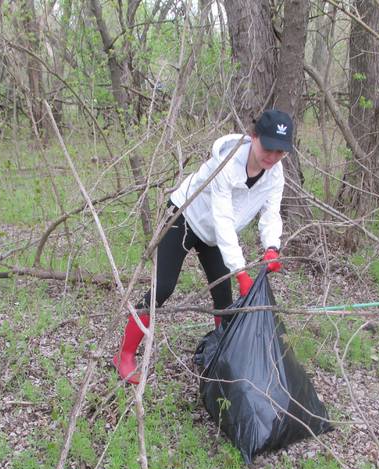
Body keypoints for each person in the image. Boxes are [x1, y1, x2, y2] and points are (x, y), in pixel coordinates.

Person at [113, 109, 294, 384]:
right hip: (184, 216)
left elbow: (271, 213)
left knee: (224, 297)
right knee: (163, 287)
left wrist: (271, 246)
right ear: (254, 137)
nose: (272, 156)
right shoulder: (226, 163)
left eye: (280, 152)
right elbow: (222, 218)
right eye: (268, 148)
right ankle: (124, 355)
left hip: (215, 236)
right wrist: (241, 271)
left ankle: (221, 355)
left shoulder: (275, 174)